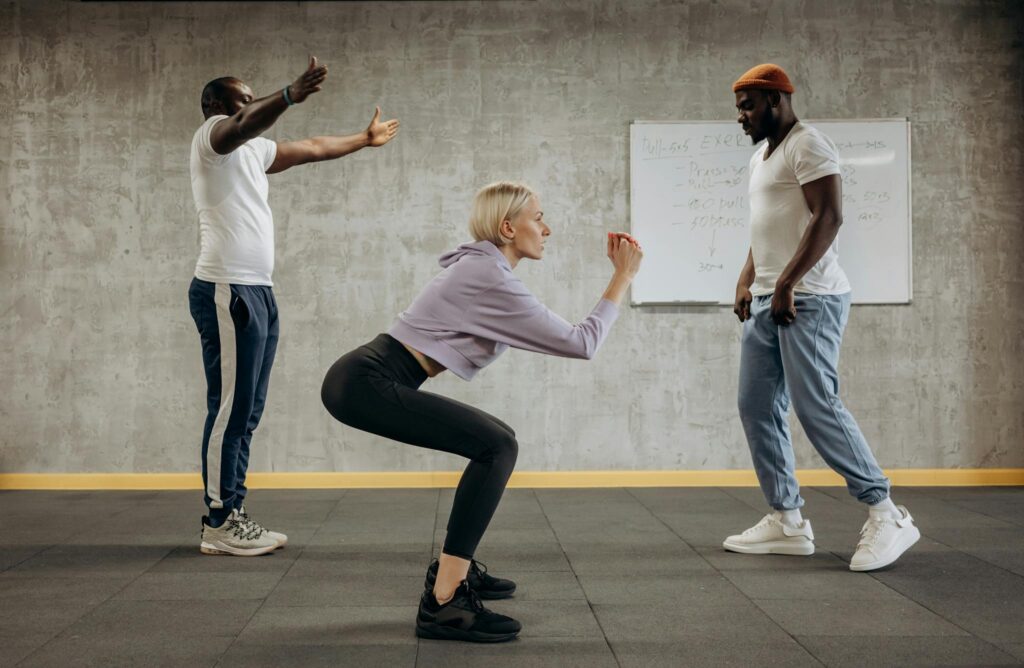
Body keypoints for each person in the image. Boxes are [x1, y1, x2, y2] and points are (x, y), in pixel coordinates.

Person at [320, 181, 643, 642]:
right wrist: (622, 277)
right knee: (497, 446)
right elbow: (582, 343)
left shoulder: (484, 269)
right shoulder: (487, 276)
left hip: (366, 377)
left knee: (498, 437)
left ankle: (456, 569)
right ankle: (444, 602)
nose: (547, 229)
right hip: (365, 383)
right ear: (508, 227)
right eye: (538, 218)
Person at [188, 57, 399, 556]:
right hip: (227, 288)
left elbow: (310, 148)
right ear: (217, 108)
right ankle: (218, 521)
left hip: (258, 289)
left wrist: (361, 140)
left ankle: (233, 512)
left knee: (250, 408)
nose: (250, 105)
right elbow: (245, 121)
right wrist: (288, 95)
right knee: (228, 409)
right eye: (243, 98)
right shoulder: (213, 139)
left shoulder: (253, 152)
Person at [724, 63, 920, 571]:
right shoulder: (761, 157)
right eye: (738, 107)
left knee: (817, 407)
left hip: (808, 299)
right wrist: (748, 277)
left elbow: (829, 216)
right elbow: (765, 227)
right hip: (770, 298)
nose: (740, 117)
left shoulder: (808, 144)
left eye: (747, 106)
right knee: (756, 406)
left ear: (775, 99)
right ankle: (787, 519)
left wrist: (787, 283)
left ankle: (886, 512)